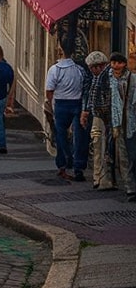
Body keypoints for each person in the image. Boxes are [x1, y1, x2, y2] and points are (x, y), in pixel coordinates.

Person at [45, 42, 87, 182]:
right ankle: (78, 167)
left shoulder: (55, 69)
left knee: (61, 134)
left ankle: (64, 163)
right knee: (78, 136)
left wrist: (52, 104)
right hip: (77, 102)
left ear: (60, 52)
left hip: (61, 103)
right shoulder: (79, 69)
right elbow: (83, 86)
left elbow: (49, 91)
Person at [81, 51, 113, 190]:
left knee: (100, 145)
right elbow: (91, 95)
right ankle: (99, 178)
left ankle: (101, 178)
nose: (90, 71)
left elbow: (104, 98)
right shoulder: (98, 76)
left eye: (91, 68)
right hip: (98, 115)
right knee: (98, 145)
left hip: (102, 117)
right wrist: (87, 111)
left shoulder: (104, 77)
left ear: (97, 66)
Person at [107, 51, 136, 201]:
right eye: (113, 63)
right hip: (116, 123)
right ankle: (129, 187)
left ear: (124, 64)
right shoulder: (108, 78)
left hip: (131, 123)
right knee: (123, 157)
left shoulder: (132, 79)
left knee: (132, 156)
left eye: (118, 62)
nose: (115, 65)